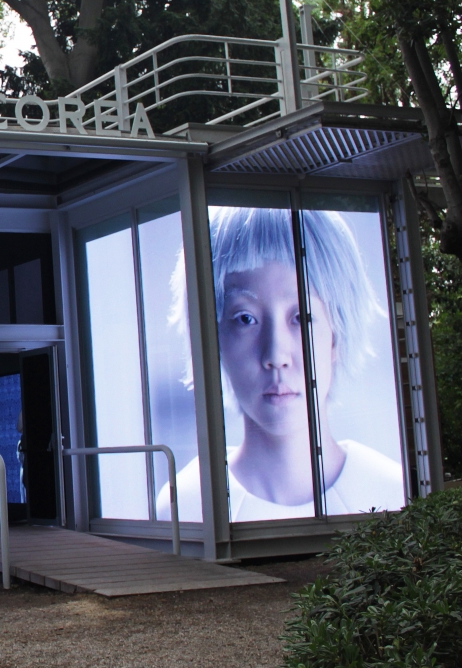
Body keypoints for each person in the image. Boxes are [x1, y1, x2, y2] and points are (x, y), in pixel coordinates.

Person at [159, 206, 405, 522]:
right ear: (214, 338)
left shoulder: (392, 491)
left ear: (337, 333)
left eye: (302, 317)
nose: (276, 356)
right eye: (245, 318)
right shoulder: (186, 505)